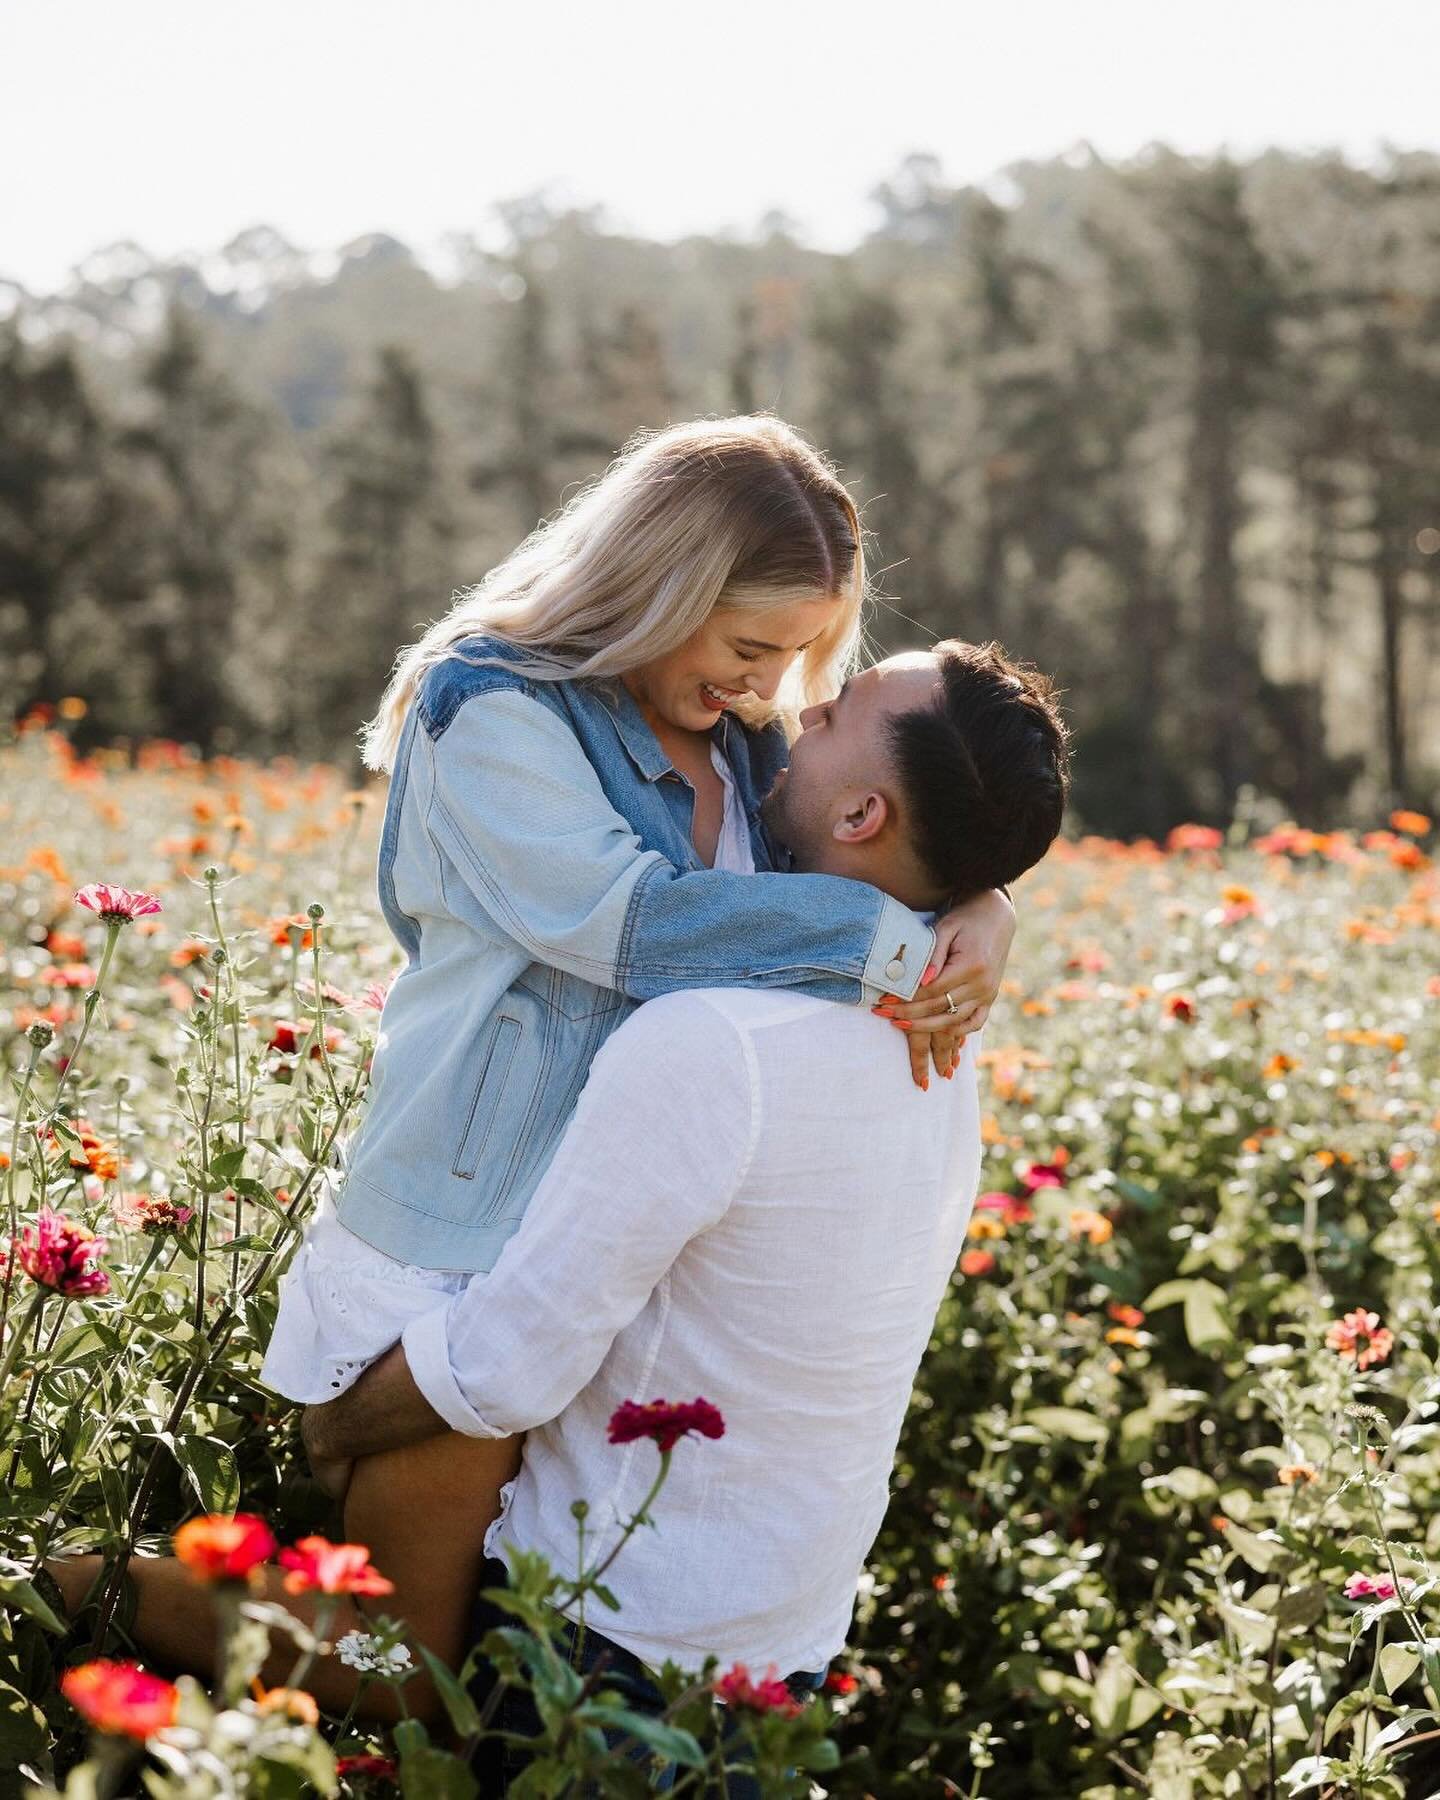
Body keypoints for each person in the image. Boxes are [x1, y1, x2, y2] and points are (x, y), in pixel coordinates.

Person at [49, 421, 1017, 1715]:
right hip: (462, 1247)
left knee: (452, 1669)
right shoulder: (491, 705)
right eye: (748, 648)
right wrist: (901, 941)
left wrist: (989, 903)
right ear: (659, 589)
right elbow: (629, 925)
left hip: (591, 1278)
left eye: (794, 659)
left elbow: (886, 823)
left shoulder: (734, 738)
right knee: (390, 1678)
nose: (768, 686)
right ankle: (54, 1589)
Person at [301, 639, 1070, 1793]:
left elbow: (510, 1363)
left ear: (864, 814)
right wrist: (986, 896)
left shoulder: (710, 1041)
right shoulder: (943, 1039)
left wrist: (335, 1426)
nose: (799, 712)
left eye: (837, 711)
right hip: (783, 1649)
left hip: (606, 1647)